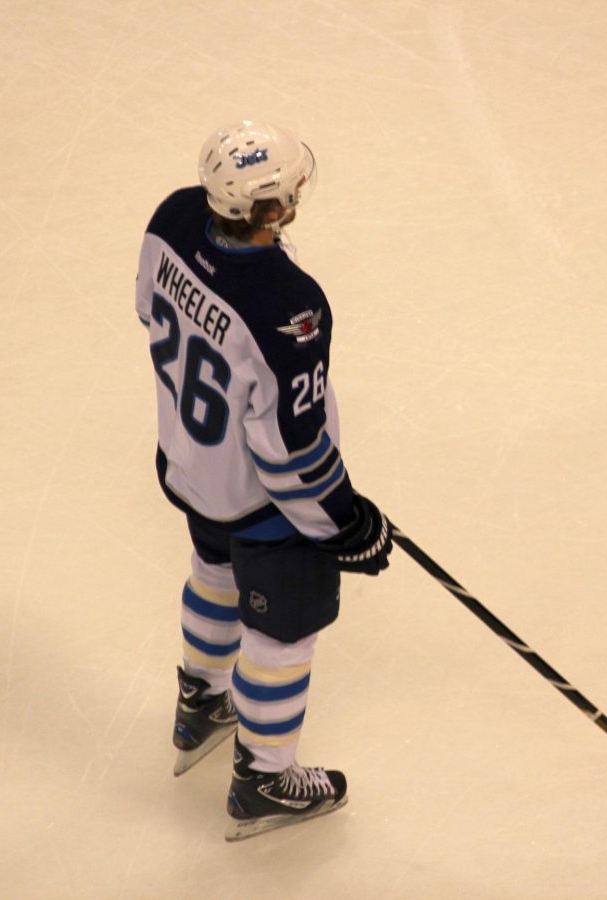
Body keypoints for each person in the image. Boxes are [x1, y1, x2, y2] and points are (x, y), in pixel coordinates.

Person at [134, 120, 393, 841]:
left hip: (192, 463)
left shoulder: (173, 215)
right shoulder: (288, 306)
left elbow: (148, 307)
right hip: (263, 503)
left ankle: (200, 704)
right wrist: (344, 521)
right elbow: (288, 447)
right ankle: (264, 780)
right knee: (285, 629)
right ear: (269, 209)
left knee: (214, 572)